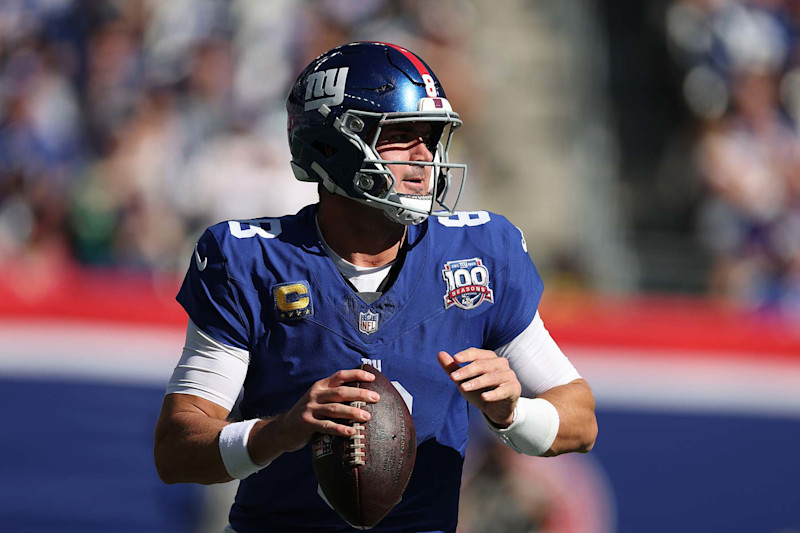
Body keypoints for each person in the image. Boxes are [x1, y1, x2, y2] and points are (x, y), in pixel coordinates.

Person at [154, 41, 597, 533]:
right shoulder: (250, 260)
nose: (424, 157)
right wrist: (279, 433)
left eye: (430, 138)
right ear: (331, 144)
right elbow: (177, 450)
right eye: (401, 136)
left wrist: (513, 413)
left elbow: (579, 420)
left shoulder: (478, 255)